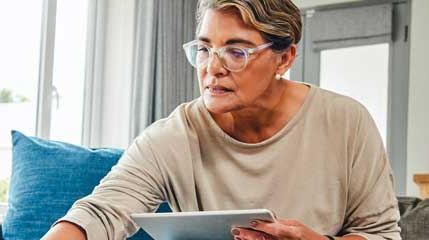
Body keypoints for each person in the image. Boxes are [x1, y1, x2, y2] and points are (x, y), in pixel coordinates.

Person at [42, 0, 401, 239]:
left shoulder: (346, 122)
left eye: (236, 51)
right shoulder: (174, 137)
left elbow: (382, 234)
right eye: (204, 49)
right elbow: (100, 213)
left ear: (285, 58)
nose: (212, 68)